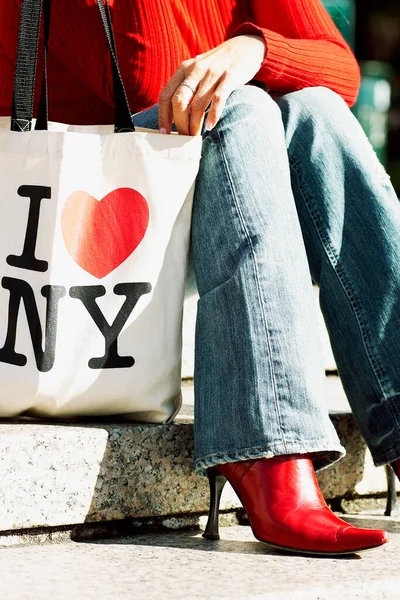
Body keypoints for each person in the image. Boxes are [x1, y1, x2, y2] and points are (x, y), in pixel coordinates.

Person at [1, 0, 399, 555]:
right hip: (81, 216)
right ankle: (267, 445)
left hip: (191, 192)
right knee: (237, 110)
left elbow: (339, 69)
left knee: (316, 111)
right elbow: (153, 81)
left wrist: (252, 48)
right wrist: (239, 72)